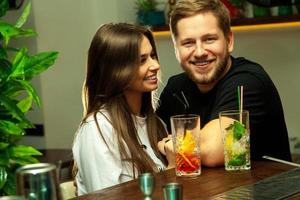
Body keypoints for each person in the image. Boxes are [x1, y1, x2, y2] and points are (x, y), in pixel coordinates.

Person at [157, 0, 292, 167]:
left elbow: (211, 150)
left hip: (266, 191)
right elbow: (149, 141)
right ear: (176, 49)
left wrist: (168, 145)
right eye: (188, 43)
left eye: (209, 39)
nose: (199, 52)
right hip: (205, 191)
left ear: (229, 41)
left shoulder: (247, 81)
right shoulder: (175, 88)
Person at [72, 23, 173, 195]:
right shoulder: (97, 130)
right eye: (142, 60)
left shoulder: (156, 124)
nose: (155, 65)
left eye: (153, 56)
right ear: (115, 70)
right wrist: (173, 168)